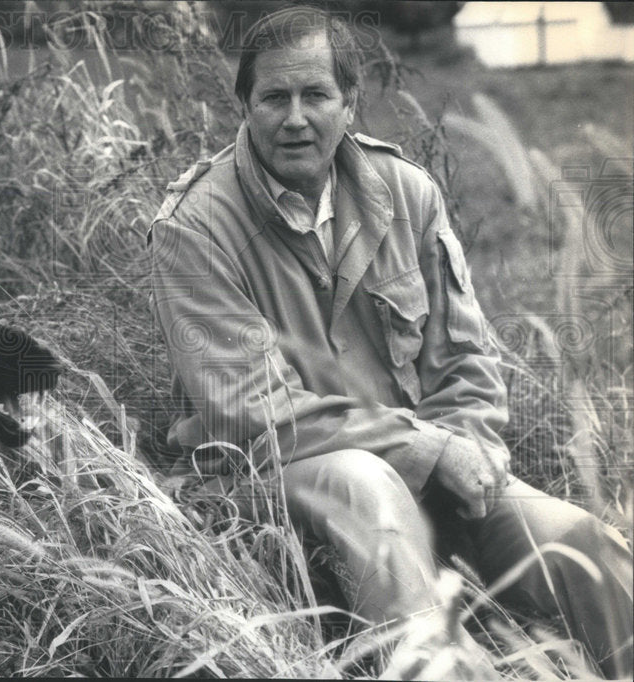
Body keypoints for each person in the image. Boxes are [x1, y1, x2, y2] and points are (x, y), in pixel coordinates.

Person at [147, 5, 632, 678]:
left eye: (316, 95)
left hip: (423, 465)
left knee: (578, 542)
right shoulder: (194, 226)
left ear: (350, 103)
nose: (295, 118)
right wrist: (429, 452)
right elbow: (255, 413)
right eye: (274, 98)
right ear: (245, 106)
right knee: (367, 481)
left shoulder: (407, 192)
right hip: (269, 480)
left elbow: (466, 361)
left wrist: (468, 453)